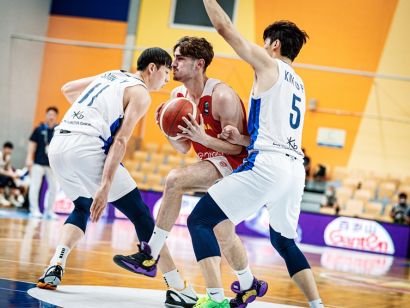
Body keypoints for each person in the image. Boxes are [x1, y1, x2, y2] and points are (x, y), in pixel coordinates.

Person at [182, 1, 323, 307]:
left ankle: (215, 300)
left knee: (200, 220)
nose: (258, 49)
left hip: (267, 165)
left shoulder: (270, 63)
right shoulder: (298, 83)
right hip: (293, 169)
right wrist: (243, 137)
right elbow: (277, 133)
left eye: (263, 44)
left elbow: (225, 29)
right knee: (283, 241)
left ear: (273, 45)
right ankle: (316, 305)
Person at [36, 48, 197, 307]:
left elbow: (68, 89)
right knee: (141, 214)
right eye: (166, 72)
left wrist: (91, 117)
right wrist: (105, 185)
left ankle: (56, 265)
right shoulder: (140, 93)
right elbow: (120, 140)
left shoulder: (112, 74)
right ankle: (177, 286)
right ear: (152, 68)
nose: (167, 79)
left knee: (80, 206)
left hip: (59, 145)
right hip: (87, 149)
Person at [113, 36, 248, 307]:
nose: (172, 64)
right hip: (210, 161)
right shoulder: (178, 97)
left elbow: (237, 149)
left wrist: (205, 138)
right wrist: (166, 129)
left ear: (199, 64)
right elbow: (183, 148)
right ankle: (248, 283)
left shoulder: (222, 96)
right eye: (174, 58)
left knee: (175, 179)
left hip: (235, 166)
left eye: (180, 59)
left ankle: (150, 255)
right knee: (223, 233)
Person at [26, 106, 59, 218]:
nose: (51, 116)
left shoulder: (59, 130)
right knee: (35, 186)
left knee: (54, 187)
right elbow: (32, 144)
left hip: (52, 165)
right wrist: (29, 159)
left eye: (53, 115)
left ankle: (49, 211)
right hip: (38, 163)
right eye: (49, 114)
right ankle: (34, 210)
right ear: (46, 115)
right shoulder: (39, 129)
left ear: (56, 117)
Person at [0, 142, 25, 207]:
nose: (9, 151)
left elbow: (9, 168)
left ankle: (12, 197)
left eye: (10, 149)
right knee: (4, 178)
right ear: (4, 148)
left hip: (4, 174)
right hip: (1, 174)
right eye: (8, 149)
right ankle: (1, 197)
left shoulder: (8, 157)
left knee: (13, 178)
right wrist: (11, 174)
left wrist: (14, 175)